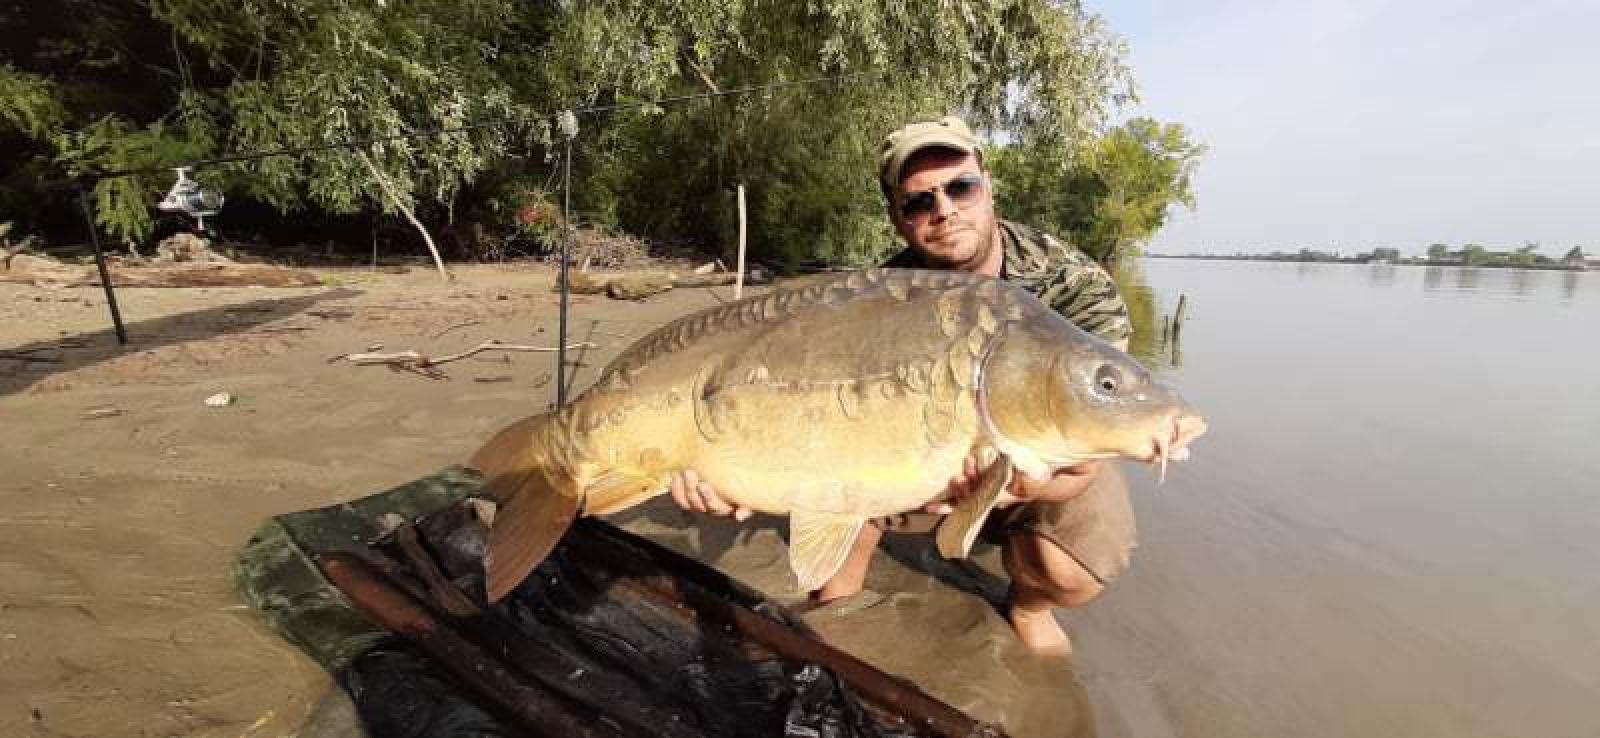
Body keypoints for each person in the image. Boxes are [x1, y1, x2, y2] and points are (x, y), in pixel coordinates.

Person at [670, 116, 1137, 653]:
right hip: (927, 453)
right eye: (919, 201)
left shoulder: (1074, 284)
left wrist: (1019, 488)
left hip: (1043, 462)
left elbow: (1091, 450)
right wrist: (727, 471)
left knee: (1071, 567)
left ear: (988, 187)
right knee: (850, 493)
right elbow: (827, 411)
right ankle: (837, 604)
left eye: (961, 187)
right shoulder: (886, 294)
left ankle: (1029, 607)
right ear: (897, 217)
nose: (944, 209)